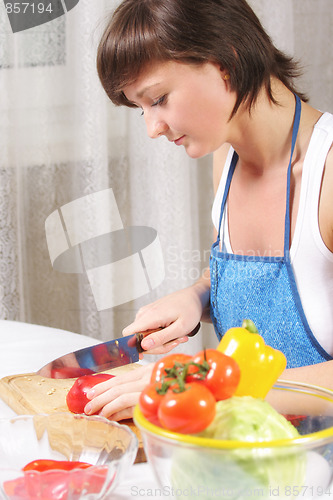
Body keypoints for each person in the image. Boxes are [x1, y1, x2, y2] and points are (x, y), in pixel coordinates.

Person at [83, 0, 333, 420]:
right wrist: (196, 298)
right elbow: (263, 273)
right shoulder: (227, 158)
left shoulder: (327, 171)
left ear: (226, 62)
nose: (152, 128)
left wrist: (203, 386)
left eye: (158, 98)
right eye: (141, 108)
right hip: (245, 457)